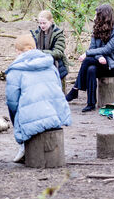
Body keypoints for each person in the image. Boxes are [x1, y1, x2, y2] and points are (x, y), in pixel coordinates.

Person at [6, 34, 71, 163]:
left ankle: (23, 145)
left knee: (14, 107)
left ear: (18, 51)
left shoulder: (15, 70)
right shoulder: (51, 65)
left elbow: (12, 101)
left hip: (31, 118)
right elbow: (58, 88)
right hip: (56, 114)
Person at [65, 4, 114, 112]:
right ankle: (91, 103)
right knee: (91, 69)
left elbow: (107, 49)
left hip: (113, 66)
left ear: (104, 17)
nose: (94, 18)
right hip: (99, 63)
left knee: (88, 59)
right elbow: (93, 48)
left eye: (96, 15)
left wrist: (88, 53)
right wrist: (98, 57)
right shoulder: (96, 30)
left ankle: (75, 90)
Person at [30, 10, 69, 81]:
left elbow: (58, 53)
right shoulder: (36, 34)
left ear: (51, 21)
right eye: (40, 23)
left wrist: (40, 52)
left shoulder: (58, 34)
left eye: (44, 23)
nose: (42, 25)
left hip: (57, 65)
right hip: (39, 64)